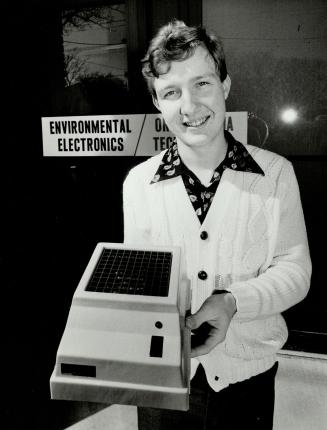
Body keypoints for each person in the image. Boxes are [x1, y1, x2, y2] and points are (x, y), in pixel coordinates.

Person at [123, 20, 311, 429]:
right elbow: (141, 283)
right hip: (163, 380)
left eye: (202, 84)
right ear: (157, 102)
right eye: (171, 92)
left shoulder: (276, 174)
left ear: (225, 85)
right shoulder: (139, 183)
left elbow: (296, 272)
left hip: (248, 380)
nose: (189, 106)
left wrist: (232, 301)